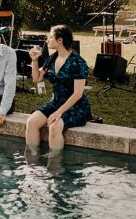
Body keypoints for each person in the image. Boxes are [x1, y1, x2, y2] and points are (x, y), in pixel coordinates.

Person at [25, 24, 92, 155]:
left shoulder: (78, 62)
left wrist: (58, 113)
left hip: (76, 106)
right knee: (31, 122)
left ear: (60, 40)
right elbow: (37, 79)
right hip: (56, 102)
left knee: (54, 127)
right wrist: (34, 61)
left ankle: (55, 167)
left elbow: (78, 94)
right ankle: (32, 162)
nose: (47, 40)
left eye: (50, 37)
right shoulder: (52, 58)